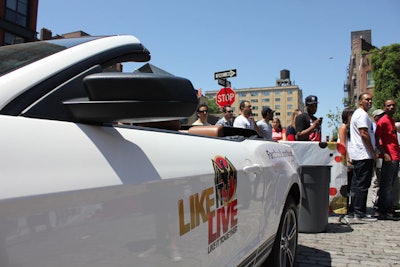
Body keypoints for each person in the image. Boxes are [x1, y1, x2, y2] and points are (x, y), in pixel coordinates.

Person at [347, 93, 377, 222]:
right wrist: (373, 152)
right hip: (363, 155)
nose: (369, 102)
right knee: (362, 185)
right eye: (367, 99)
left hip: (359, 154)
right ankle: (359, 212)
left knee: (356, 184)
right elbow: (364, 134)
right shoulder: (362, 115)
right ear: (360, 101)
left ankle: (353, 210)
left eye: (371, 100)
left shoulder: (359, 114)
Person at [374, 99, 400, 220]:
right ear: (384, 107)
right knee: (387, 185)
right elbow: (377, 139)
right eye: (388, 105)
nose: (391, 107)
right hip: (389, 158)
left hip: (396, 156)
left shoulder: (391, 120)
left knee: (390, 184)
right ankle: (386, 210)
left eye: (393, 105)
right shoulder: (382, 121)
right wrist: (384, 153)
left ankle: (384, 208)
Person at [337, 108, 355, 218]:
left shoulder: (351, 129)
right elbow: (343, 145)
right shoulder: (343, 128)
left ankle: (349, 207)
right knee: (346, 185)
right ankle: (344, 208)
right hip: (344, 159)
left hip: (350, 159)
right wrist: (347, 160)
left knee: (351, 185)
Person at [370, 109, 385, 209]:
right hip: (377, 155)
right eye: (380, 115)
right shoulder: (374, 127)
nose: (382, 117)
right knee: (378, 179)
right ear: (375, 117)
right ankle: (376, 200)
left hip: (383, 155)